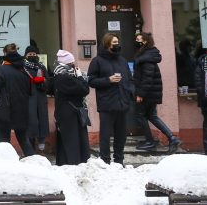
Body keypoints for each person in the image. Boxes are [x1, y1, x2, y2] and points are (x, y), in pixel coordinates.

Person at [88, 33, 134, 165]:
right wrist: (108, 80)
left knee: (121, 135)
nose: (117, 44)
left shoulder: (122, 60)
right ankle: (105, 160)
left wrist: (130, 91)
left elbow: (130, 79)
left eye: (117, 42)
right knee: (106, 135)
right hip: (106, 104)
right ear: (107, 44)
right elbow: (91, 81)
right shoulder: (97, 61)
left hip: (122, 102)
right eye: (114, 42)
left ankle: (119, 160)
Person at [132, 32, 181, 154]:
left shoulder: (146, 58)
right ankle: (172, 138)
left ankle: (150, 141)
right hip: (151, 92)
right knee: (151, 116)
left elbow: (147, 78)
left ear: (145, 42)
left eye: (139, 39)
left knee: (141, 116)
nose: (136, 41)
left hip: (147, 93)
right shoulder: (147, 55)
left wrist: (140, 94)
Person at [0, 43, 34, 157]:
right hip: (22, 109)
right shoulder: (24, 70)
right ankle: (33, 161)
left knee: (4, 141)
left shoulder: (2, 69)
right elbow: (30, 91)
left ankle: (7, 165)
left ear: (5, 54)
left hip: (5, 109)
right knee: (24, 140)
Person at [52, 49, 91, 165]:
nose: (74, 65)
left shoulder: (58, 74)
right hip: (70, 112)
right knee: (73, 139)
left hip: (64, 111)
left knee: (66, 139)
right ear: (68, 63)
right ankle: (73, 162)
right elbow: (84, 89)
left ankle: (65, 162)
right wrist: (80, 77)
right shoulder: (65, 77)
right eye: (72, 62)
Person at [23, 45, 49, 153]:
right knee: (30, 124)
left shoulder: (42, 67)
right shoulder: (22, 67)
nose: (32, 56)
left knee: (42, 123)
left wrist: (43, 81)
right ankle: (30, 150)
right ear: (26, 55)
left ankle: (41, 149)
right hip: (28, 99)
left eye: (34, 54)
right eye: (30, 54)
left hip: (41, 99)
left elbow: (49, 82)